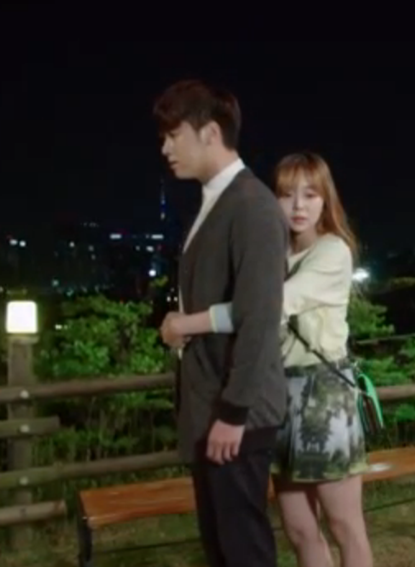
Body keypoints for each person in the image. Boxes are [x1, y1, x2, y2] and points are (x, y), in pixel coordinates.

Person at [162, 152, 374, 567]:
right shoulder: (272, 252)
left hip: (323, 395)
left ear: (326, 200)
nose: (298, 206)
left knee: (344, 523)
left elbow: (266, 307)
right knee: (299, 529)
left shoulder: (333, 252)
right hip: (276, 393)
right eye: (286, 194)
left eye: (310, 195)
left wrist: (186, 323)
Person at [154, 79, 289, 567]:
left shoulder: (251, 204)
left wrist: (233, 413)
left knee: (242, 548)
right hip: (215, 408)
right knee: (222, 547)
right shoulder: (217, 199)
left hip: (237, 414)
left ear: (210, 132)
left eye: (174, 135)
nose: (165, 148)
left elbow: (260, 317)